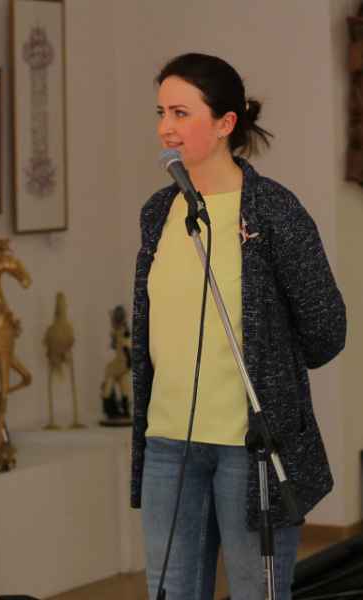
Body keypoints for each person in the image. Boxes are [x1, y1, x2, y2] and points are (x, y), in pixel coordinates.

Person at [130, 53, 346, 600]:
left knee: (257, 591)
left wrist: (273, 363)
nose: (165, 127)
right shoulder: (158, 212)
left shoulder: (273, 210)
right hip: (168, 442)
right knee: (170, 591)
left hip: (249, 449)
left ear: (226, 123)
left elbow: (326, 328)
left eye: (181, 113)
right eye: (161, 112)